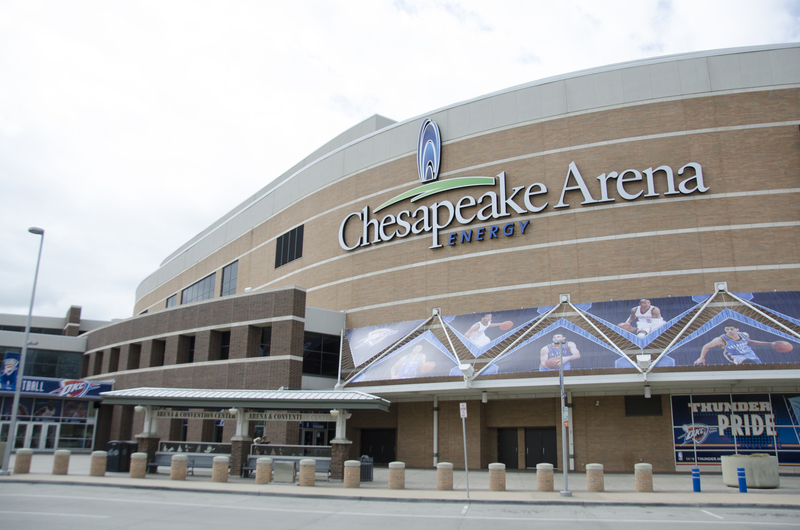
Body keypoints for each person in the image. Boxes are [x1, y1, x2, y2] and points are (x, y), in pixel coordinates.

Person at [694, 326, 775, 365]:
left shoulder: (744, 335)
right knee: (745, 363)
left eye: (731, 329)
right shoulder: (720, 339)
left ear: (737, 329)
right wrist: (702, 357)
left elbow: (749, 342)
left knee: (759, 367)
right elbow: (706, 346)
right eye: (727, 329)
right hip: (734, 354)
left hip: (749, 353)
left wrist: (768, 344)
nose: (729, 331)